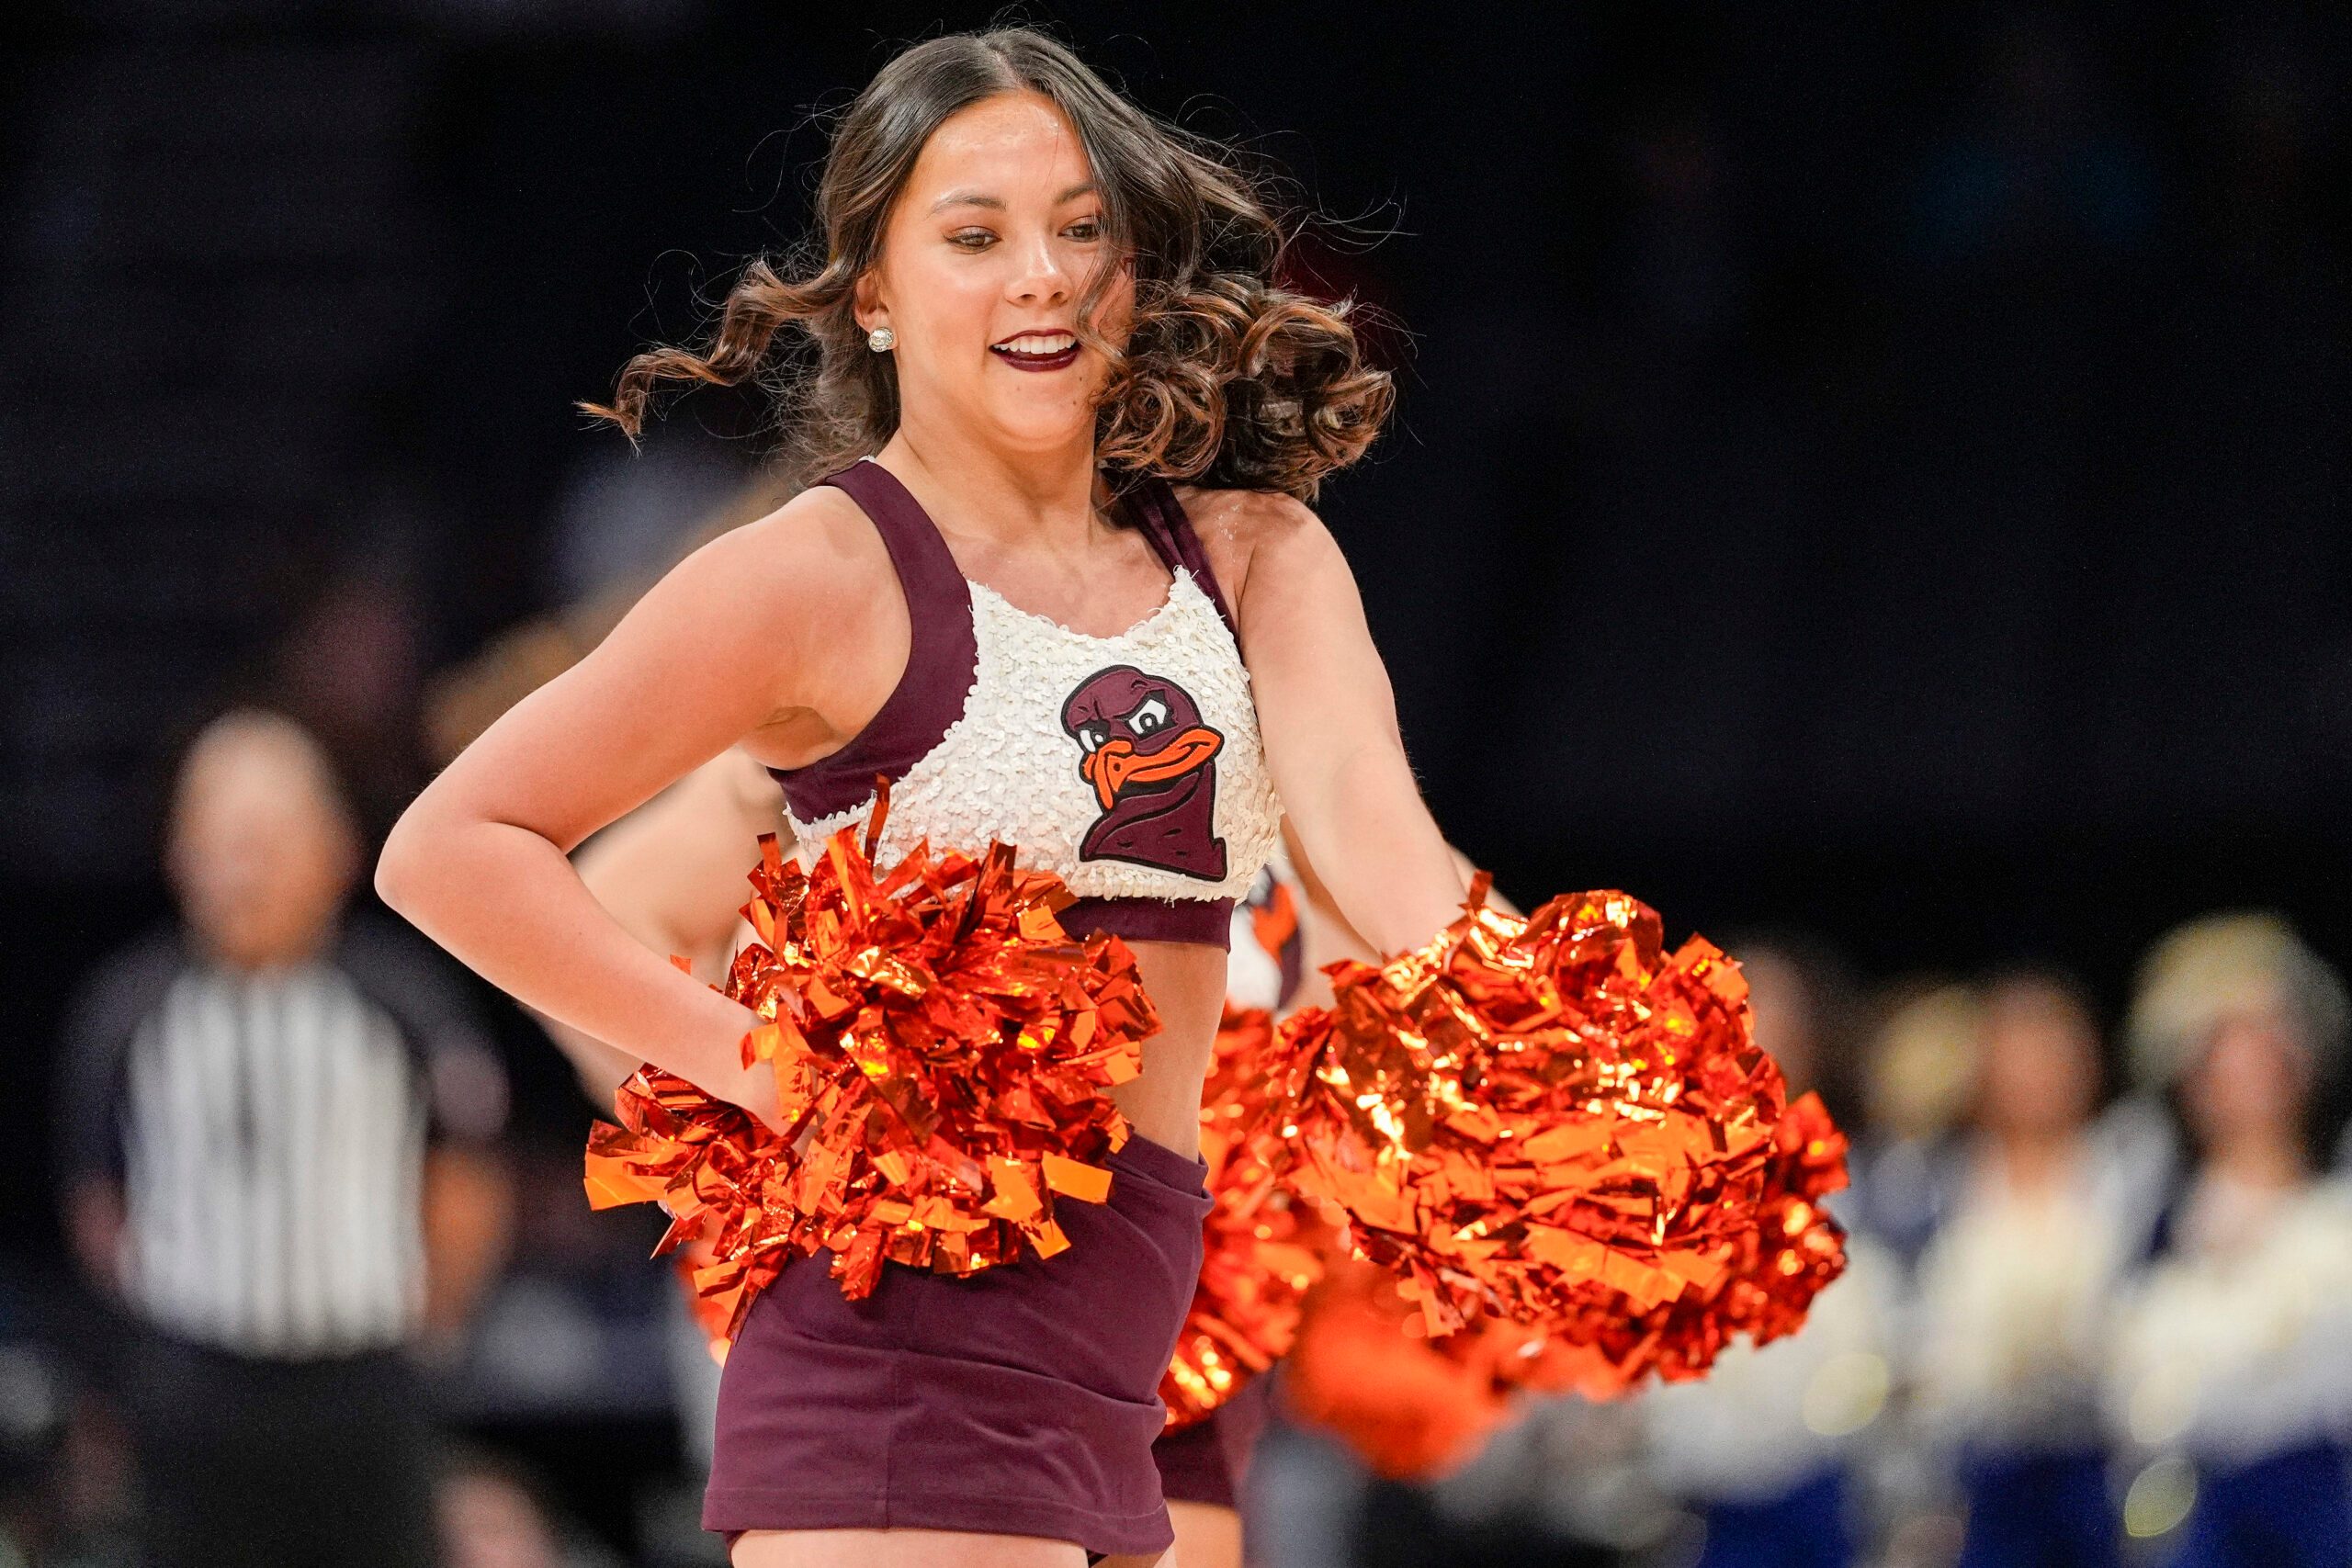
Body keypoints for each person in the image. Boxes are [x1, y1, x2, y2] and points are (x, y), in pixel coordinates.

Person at [375, 27, 1464, 1568]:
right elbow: (453, 849)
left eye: (1082, 231)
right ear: (874, 296)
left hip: (1145, 1333)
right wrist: (752, 1066)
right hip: (900, 1353)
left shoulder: (1252, 555)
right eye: (975, 237)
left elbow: (1376, 831)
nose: (1041, 276)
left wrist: (1529, 1052)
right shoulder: (817, 572)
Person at [55, 709, 513, 1568]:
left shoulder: (402, 999)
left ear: (336, 848)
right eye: (221, 838)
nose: (244, 868)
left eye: (268, 838)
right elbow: (97, 1200)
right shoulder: (128, 1011)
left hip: (364, 1390)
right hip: (193, 1392)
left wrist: (433, 1321)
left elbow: (466, 1177)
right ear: (177, 853)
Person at [2104, 913, 2352, 1568]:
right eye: (2221, 1046)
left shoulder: (2339, 1206)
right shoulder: (2149, 1213)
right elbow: (2133, 1375)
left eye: (2267, 1042)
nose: (2246, 1067)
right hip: (2202, 1516)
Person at [1910, 972, 2130, 1568]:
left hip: (2106, 1473)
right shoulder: (1934, 1187)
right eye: (2017, 1053)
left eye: (2053, 1051)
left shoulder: (2130, 1171)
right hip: (1979, 1481)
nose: (2036, 1074)